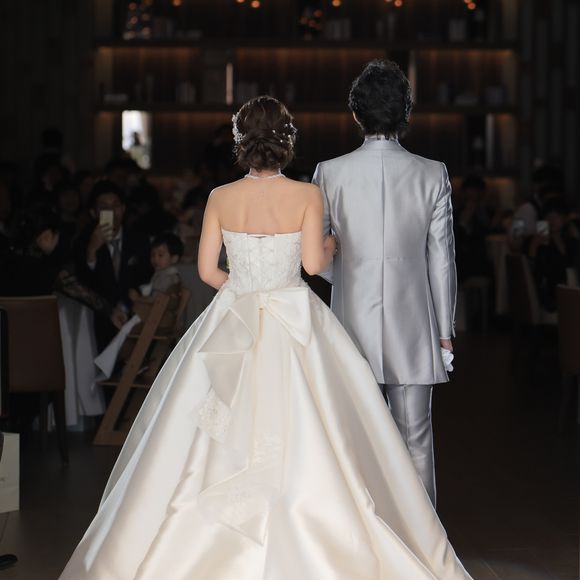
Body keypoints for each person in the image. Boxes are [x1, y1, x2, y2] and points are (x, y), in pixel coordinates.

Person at [60, 96, 471, 580]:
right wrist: (331, 245)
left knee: (214, 426)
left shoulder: (219, 197)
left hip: (235, 315)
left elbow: (207, 270)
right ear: (287, 142)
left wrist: (243, 292)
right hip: (293, 314)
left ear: (241, 143)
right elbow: (314, 265)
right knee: (312, 425)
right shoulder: (306, 195)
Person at [313, 60, 456, 506]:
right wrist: (445, 332)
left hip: (349, 318)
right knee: (416, 435)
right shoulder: (432, 173)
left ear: (356, 114)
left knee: (351, 435)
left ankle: (362, 530)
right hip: (413, 321)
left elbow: (315, 256)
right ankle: (422, 536)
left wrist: (348, 276)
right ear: (404, 113)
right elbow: (442, 261)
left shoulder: (328, 172)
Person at [75, 180, 152, 350]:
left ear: (123, 209)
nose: (111, 212)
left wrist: (127, 305)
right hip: (99, 319)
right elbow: (83, 284)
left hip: (135, 315)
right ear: (93, 212)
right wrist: (92, 251)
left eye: (115, 205)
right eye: (103, 207)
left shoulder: (139, 240)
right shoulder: (84, 242)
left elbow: (146, 276)